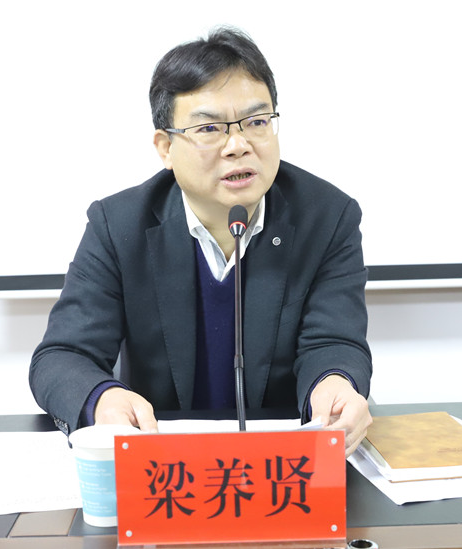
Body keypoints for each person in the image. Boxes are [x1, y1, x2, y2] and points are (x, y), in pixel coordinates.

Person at [29, 27, 372, 457]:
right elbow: (62, 356)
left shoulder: (327, 217)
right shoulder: (118, 226)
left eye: (257, 122)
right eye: (210, 128)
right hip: (163, 467)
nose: (238, 145)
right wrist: (102, 398)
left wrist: (334, 384)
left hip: (285, 466)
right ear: (165, 148)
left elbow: (333, 342)